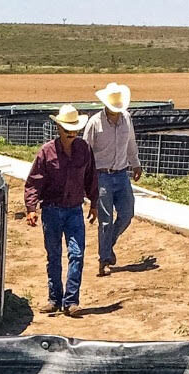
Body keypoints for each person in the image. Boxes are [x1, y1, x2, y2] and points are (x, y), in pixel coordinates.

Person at [23, 104, 99, 317]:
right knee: (54, 255)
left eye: (74, 130)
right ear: (58, 128)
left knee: (77, 254)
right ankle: (54, 299)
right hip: (51, 210)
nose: (71, 134)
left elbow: (91, 177)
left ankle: (71, 301)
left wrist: (94, 203)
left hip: (75, 210)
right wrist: (31, 208)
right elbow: (34, 181)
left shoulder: (84, 149)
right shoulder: (46, 152)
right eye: (67, 130)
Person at [82, 82, 143, 277]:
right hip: (102, 176)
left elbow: (131, 143)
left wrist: (136, 163)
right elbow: (85, 152)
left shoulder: (127, 119)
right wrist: (85, 178)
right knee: (105, 220)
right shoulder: (95, 123)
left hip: (122, 174)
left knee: (127, 213)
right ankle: (104, 259)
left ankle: (108, 245)